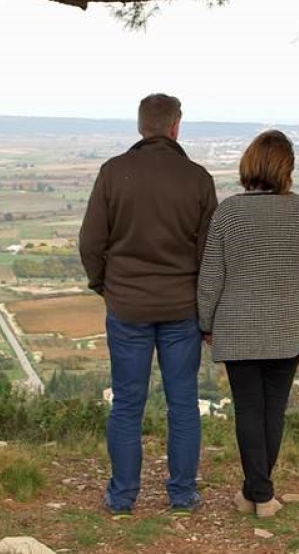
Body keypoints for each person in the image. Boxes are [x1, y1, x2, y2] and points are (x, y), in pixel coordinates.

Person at [79, 93, 218, 518]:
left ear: (141, 126)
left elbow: (90, 243)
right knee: (183, 403)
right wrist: (203, 305)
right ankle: (181, 495)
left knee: (127, 403)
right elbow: (210, 252)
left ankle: (122, 497)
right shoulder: (197, 178)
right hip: (181, 310)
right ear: (176, 126)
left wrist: (105, 285)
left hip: (127, 307)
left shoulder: (113, 172)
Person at [197, 130, 299, 518]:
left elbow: (210, 278)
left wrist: (205, 322)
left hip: (238, 329)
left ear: (248, 165)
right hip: (287, 328)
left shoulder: (230, 211)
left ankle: (259, 494)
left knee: (249, 410)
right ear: (287, 168)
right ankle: (258, 493)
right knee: (273, 412)